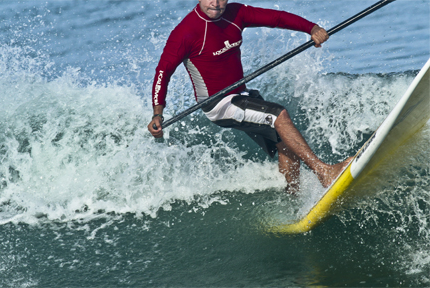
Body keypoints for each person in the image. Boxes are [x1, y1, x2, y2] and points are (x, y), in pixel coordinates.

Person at [148, 0, 352, 193]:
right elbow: (162, 73)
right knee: (278, 115)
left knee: (287, 145)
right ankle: (324, 172)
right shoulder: (185, 32)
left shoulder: (236, 14)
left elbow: (277, 18)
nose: (215, 3)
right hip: (219, 105)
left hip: (241, 95)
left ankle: (294, 201)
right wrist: (158, 113)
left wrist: (312, 28)